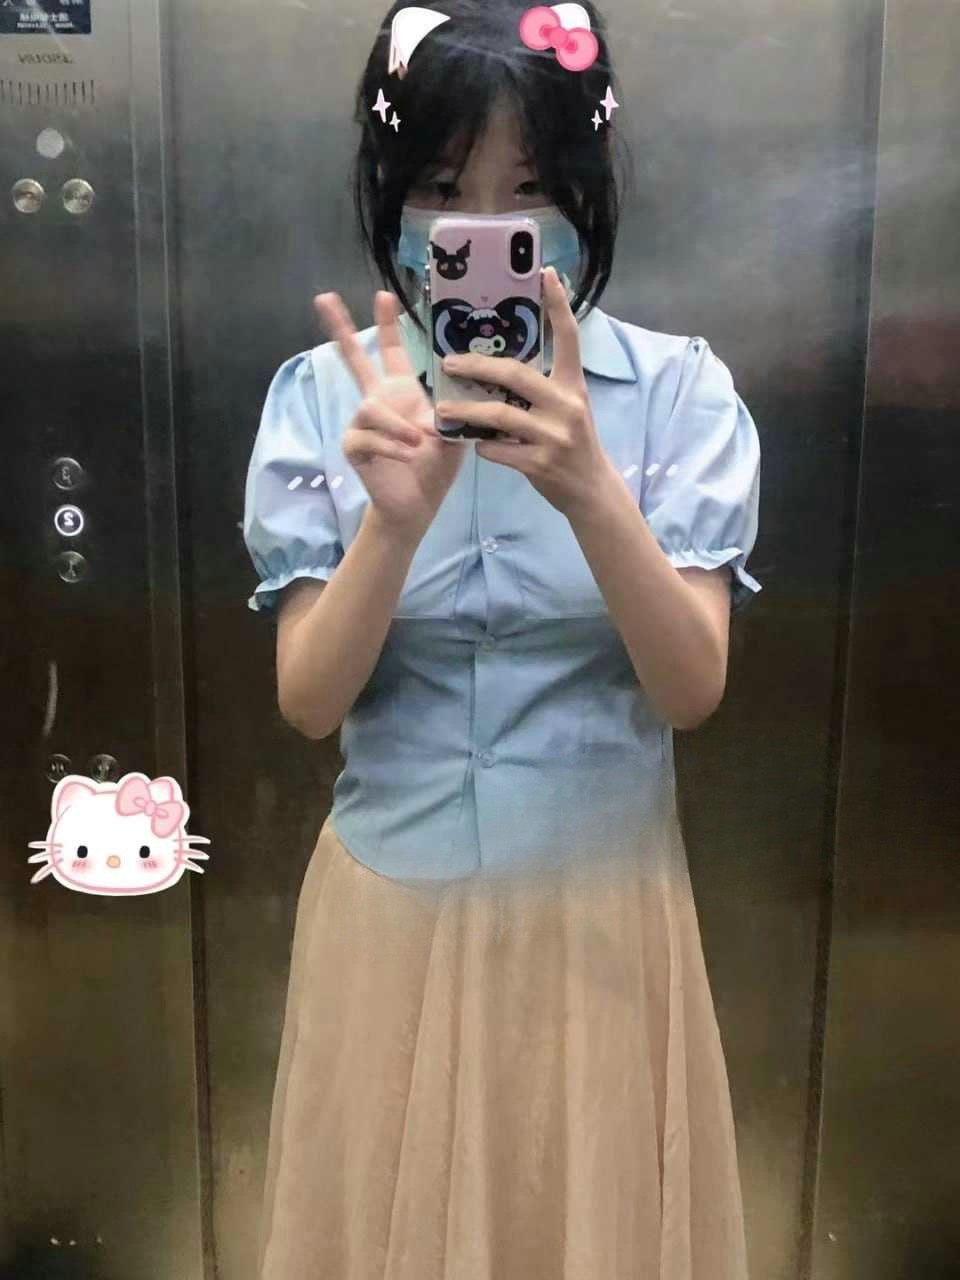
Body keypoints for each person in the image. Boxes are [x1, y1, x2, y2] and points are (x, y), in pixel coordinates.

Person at [242, 2, 762, 1276]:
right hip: (389, 924)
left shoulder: (683, 396)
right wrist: (392, 525)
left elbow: (692, 688)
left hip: (602, 929)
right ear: (391, 198)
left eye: (526, 189)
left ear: (584, 192)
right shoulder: (321, 399)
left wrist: (591, 492)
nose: (481, 225)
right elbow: (308, 700)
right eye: (440, 187)